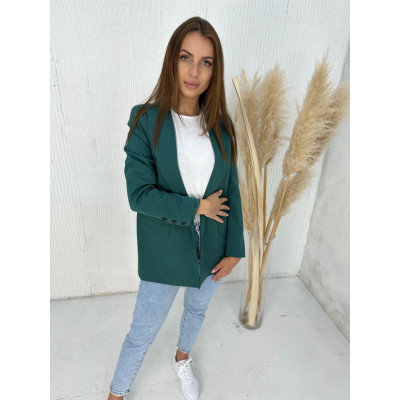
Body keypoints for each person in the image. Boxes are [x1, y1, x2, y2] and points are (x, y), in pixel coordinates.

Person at [108, 16, 245, 400]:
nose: (194, 71)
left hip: (214, 245)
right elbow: (139, 195)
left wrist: (236, 247)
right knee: (142, 331)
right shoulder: (146, 120)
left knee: (197, 311)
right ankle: (117, 393)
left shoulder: (222, 126)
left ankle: (182, 358)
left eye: (206, 62)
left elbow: (233, 189)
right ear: (172, 59)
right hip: (164, 248)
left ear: (215, 70)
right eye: (186, 57)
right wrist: (198, 207)